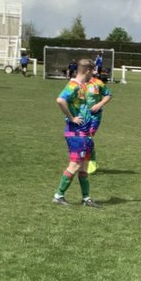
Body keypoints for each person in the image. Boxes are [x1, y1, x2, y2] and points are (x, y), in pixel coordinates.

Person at [51, 58, 99, 208]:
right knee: (75, 165)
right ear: (88, 71)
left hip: (84, 134)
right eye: (93, 71)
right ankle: (58, 195)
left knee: (83, 167)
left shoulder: (82, 86)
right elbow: (60, 100)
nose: (94, 75)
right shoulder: (73, 85)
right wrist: (72, 118)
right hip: (76, 133)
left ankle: (86, 198)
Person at [81, 65, 112, 173]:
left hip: (95, 115)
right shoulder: (76, 83)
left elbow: (108, 95)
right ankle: (83, 159)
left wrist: (100, 104)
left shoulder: (98, 83)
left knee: (89, 137)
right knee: (82, 138)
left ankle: (92, 161)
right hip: (81, 115)